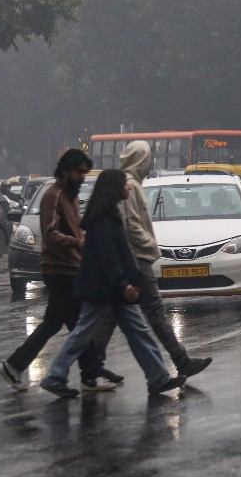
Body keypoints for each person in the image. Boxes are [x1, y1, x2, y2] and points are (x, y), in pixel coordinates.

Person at [39, 169, 187, 398]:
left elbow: (122, 254)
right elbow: (109, 259)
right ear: (115, 189)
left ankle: (158, 377)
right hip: (103, 290)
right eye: (124, 185)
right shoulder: (102, 220)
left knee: (137, 330)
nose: (128, 188)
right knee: (83, 333)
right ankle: (54, 376)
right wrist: (124, 284)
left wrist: (132, 280)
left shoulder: (109, 215)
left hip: (112, 289)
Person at [90, 141, 211, 380]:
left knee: (112, 315)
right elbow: (131, 225)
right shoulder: (130, 186)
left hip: (132, 258)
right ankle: (180, 360)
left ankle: (92, 366)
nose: (150, 164)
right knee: (154, 312)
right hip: (138, 259)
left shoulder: (131, 185)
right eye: (148, 159)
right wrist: (151, 245)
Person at [0, 149, 116, 393]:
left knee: (52, 324)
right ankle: (87, 375)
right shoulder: (53, 195)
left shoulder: (71, 197)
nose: (82, 177)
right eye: (79, 172)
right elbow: (50, 234)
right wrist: (77, 243)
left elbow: (76, 230)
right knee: (80, 325)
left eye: (85, 172)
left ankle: (14, 365)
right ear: (65, 171)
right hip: (58, 270)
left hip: (72, 268)